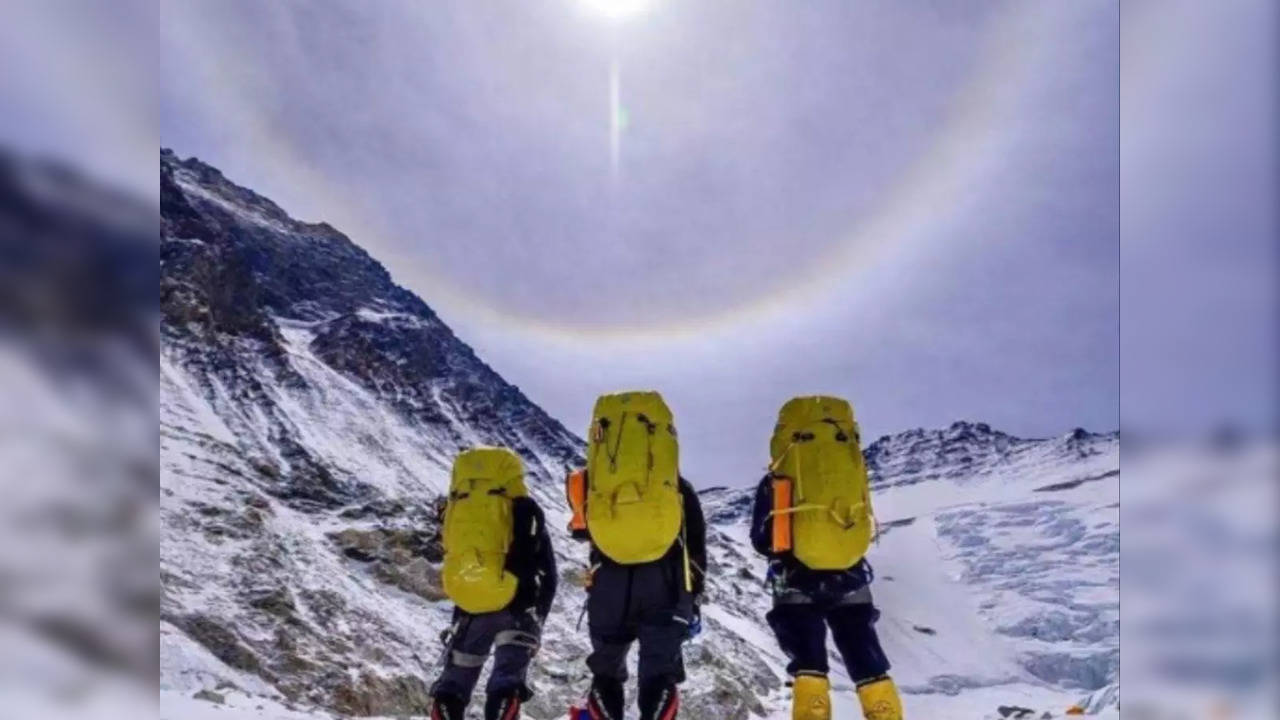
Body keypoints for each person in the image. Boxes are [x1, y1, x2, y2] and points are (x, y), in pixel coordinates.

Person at [749, 396, 903, 720]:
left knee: (809, 665)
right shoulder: (851, 470)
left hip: (795, 582)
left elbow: (762, 540)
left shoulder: (778, 479)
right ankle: (884, 712)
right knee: (865, 657)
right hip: (851, 577)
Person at [565, 391, 707, 720]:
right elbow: (695, 545)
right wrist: (693, 596)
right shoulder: (676, 489)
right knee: (659, 674)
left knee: (606, 672)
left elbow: (582, 530)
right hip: (665, 586)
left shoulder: (592, 483)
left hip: (608, 586)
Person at [429, 447, 557, 720]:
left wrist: (462, 610)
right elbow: (549, 572)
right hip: (517, 608)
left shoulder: (456, 510)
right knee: (506, 681)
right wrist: (538, 620)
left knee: (453, 684)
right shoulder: (525, 510)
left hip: (470, 607)